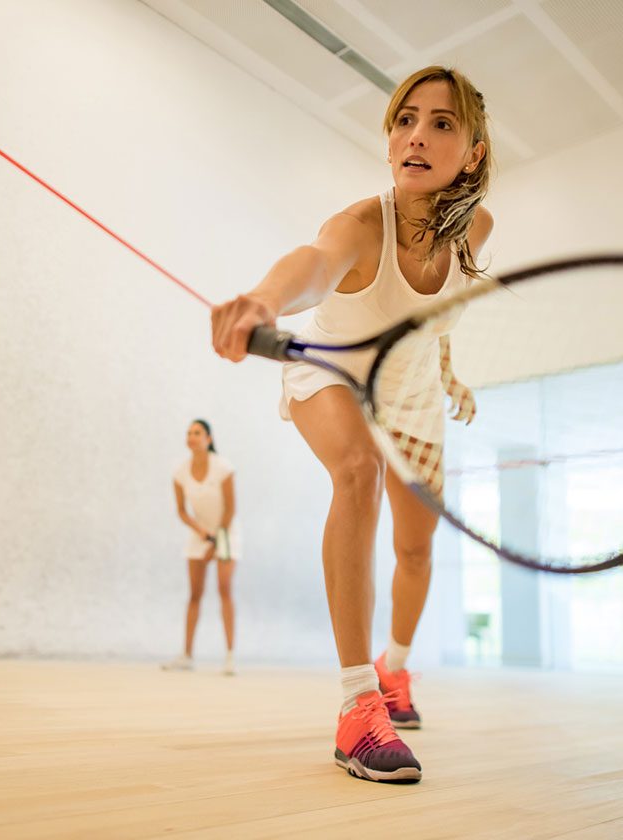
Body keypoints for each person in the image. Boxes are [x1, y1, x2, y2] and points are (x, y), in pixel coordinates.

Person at [212, 66, 492, 783]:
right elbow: (315, 263)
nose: (416, 136)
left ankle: (394, 670)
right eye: (405, 119)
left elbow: (434, 315)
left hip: (413, 394)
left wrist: (450, 371)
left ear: (474, 152)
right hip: (330, 369)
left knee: (416, 550)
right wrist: (263, 300)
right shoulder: (362, 225)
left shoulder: (476, 229)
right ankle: (358, 705)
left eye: (441, 123)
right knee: (357, 472)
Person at [163, 419, 241, 676]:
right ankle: (186, 655)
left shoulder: (223, 468)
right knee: (194, 594)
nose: (192, 437)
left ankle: (230, 656)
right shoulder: (180, 472)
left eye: (197, 433)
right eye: (189, 433)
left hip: (226, 532)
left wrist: (216, 541)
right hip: (201, 533)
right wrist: (202, 533)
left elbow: (230, 509)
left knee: (224, 589)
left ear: (209, 438)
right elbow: (181, 511)